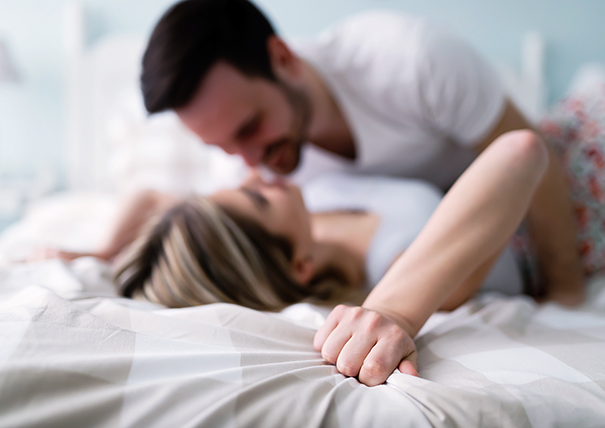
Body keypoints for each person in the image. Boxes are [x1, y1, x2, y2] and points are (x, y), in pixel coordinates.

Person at [139, 0, 586, 306]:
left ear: (283, 59)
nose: (249, 162)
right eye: (221, 146)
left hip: (557, 171)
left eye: (250, 128)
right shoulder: (243, 169)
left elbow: (531, 152)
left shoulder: (409, 61)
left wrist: (566, 293)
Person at [113, 129, 549, 386]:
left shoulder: (311, 205)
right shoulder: (400, 268)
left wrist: (97, 251)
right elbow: (521, 151)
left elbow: (151, 194)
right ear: (299, 265)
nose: (256, 174)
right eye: (257, 197)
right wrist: (392, 310)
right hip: (561, 204)